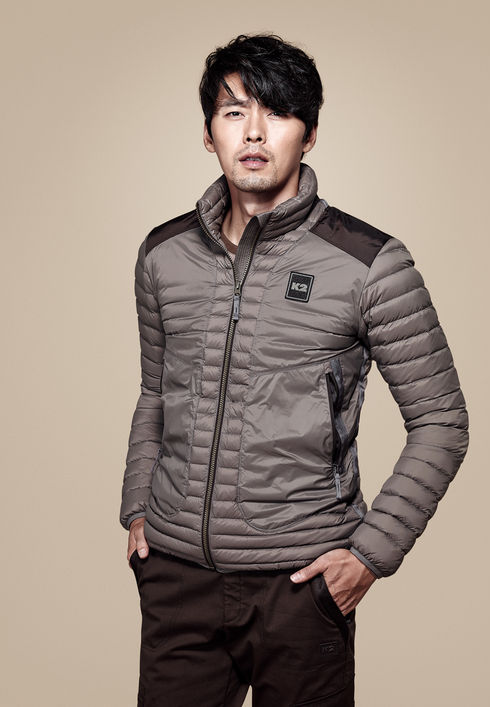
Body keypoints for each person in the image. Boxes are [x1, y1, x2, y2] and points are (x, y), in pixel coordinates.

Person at [119, 33, 469, 707]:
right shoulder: (163, 254)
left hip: (304, 584)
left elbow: (442, 421)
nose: (253, 132)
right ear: (208, 133)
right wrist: (138, 509)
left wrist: (370, 554)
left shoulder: (370, 263)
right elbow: (155, 392)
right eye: (234, 112)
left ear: (308, 135)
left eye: (276, 112)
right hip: (177, 580)